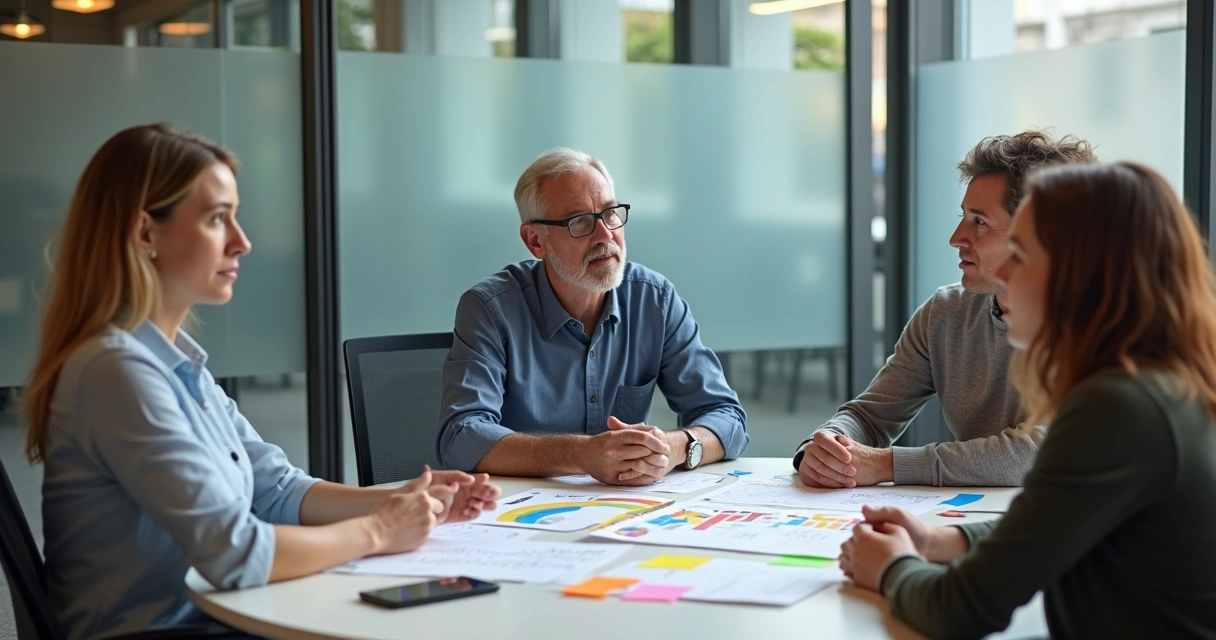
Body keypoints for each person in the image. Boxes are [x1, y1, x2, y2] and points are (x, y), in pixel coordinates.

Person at [22, 124, 502, 640]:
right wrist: (380, 530)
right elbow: (235, 553)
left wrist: (406, 501)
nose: (242, 242)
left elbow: (276, 490)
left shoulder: (177, 365)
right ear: (145, 234)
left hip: (212, 616)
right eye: (216, 218)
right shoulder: (116, 372)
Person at [839, 162, 1216, 638]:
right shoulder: (1154, 382)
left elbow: (964, 608)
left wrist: (892, 568)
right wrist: (939, 540)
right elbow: (1050, 524)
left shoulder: (1119, 408)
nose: (1007, 274)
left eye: (1022, 252)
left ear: (1082, 272)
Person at [796, 130, 1096, 488]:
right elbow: (870, 416)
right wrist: (824, 448)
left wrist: (888, 465)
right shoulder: (946, 312)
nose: (956, 237)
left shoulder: (1096, 324)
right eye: (964, 216)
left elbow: (1038, 450)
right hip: (979, 521)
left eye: (979, 221)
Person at [437, 147, 747, 485]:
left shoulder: (654, 300)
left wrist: (672, 448)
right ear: (535, 241)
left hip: (626, 511)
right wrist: (581, 455)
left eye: (610, 213)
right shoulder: (490, 308)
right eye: (579, 221)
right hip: (520, 515)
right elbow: (461, 437)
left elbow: (727, 418)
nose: (605, 236)